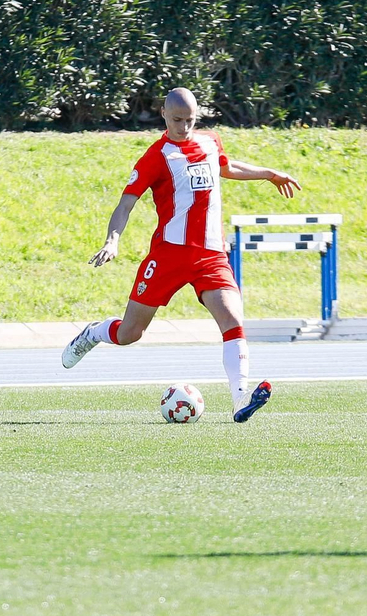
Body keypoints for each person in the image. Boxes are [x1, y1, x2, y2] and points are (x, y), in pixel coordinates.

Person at [61, 87, 301, 421]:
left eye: (190, 120)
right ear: (163, 114)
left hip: (210, 255)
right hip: (169, 255)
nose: (184, 127)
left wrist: (269, 174)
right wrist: (112, 240)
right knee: (130, 333)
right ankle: (94, 333)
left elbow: (226, 167)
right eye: (177, 120)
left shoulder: (209, 141)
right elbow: (126, 203)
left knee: (233, 320)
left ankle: (239, 397)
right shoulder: (156, 156)